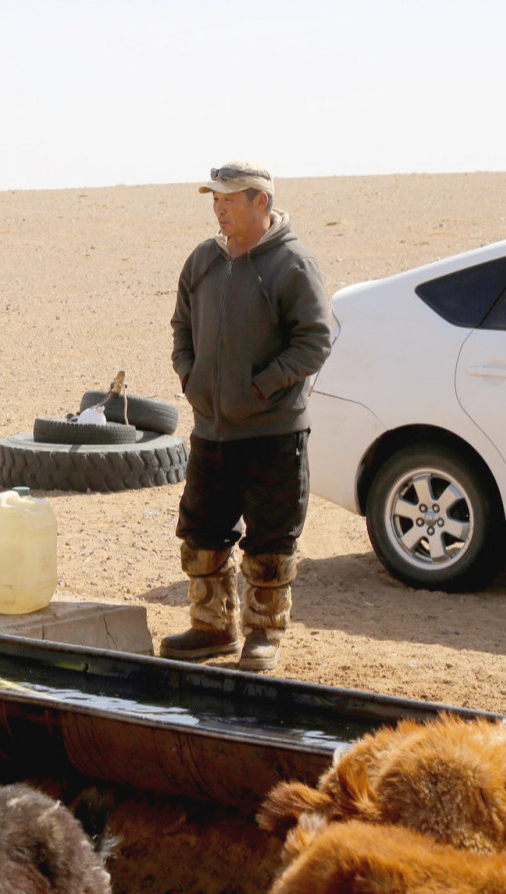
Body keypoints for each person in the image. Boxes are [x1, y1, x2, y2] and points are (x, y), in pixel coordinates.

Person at [162, 161, 332, 671]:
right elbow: (181, 327)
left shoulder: (293, 264)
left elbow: (315, 341)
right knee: (201, 531)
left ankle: (264, 635)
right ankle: (211, 627)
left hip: (273, 431)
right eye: (214, 198)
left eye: (229, 199)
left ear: (261, 202)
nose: (218, 207)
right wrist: (190, 376)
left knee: (271, 538)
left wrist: (261, 386)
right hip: (211, 430)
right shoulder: (202, 261)